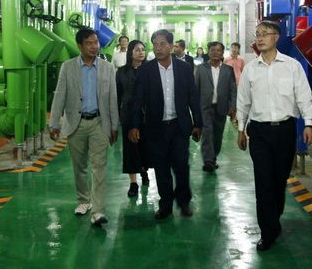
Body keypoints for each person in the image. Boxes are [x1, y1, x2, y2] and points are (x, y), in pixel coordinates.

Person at [236, 21, 312, 251]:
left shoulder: (292, 66)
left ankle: (274, 218)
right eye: (257, 34)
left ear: (276, 37)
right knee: (263, 182)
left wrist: (308, 124)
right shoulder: (251, 69)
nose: (260, 38)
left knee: (279, 181)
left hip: (285, 130)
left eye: (265, 34)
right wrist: (241, 129)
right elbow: (243, 101)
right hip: (259, 132)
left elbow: (303, 96)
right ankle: (267, 231)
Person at [129, 29, 202, 220]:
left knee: (181, 167)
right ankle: (166, 205)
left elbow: (193, 97)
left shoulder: (184, 68)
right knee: (161, 169)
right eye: (155, 44)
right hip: (156, 128)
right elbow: (137, 100)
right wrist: (134, 125)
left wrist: (198, 123)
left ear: (171, 46)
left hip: (179, 126)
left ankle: (184, 202)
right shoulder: (146, 71)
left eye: (162, 44)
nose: (158, 48)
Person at [49, 28, 119, 227]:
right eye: (89, 43)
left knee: (99, 167)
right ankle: (83, 200)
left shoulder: (107, 68)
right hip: (76, 123)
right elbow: (59, 95)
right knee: (79, 166)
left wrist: (114, 125)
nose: (94, 46)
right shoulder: (68, 67)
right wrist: (54, 123)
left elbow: (113, 98)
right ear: (80, 46)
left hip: (99, 123)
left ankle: (98, 210)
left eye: (96, 42)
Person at [194, 41, 236, 172]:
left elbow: (233, 90)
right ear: (208, 52)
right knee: (207, 133)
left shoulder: (228, 70)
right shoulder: (201, 69)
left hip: (221, 107)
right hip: (205, 107)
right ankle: (208, 161)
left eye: (218, 50)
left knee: (217, 135)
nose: (215, 52)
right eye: (213, 50)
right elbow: (195, 89)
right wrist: (195, 109)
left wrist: (232, 106)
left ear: (222, 53)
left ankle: (213, 157)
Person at [116, 40, 150, 197]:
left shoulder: (150, 70)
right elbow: (118, 96)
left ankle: (144, 170)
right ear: (131, 52)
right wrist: (117, 117)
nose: (141, 52)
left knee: (144, 147)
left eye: (143, 49)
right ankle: (133, 183)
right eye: (137, 50)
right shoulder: (122, 72)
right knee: (130, 149)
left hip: (147, 116)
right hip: (128, 116)